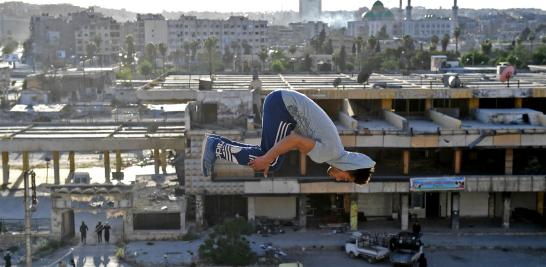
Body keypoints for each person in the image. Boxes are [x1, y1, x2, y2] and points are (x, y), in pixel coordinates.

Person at [202, 89, 375, 183]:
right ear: (348, 169)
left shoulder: (334, 151)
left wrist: (268, 157)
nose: (338, 179)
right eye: (345, 179)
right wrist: (267, 158)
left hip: (282, 104)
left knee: (271, 158)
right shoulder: (328, 154)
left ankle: (217, 144)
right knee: (273, 160)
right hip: (283, 107)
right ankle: (215, 147)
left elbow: (294, 142)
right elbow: (293, 139)